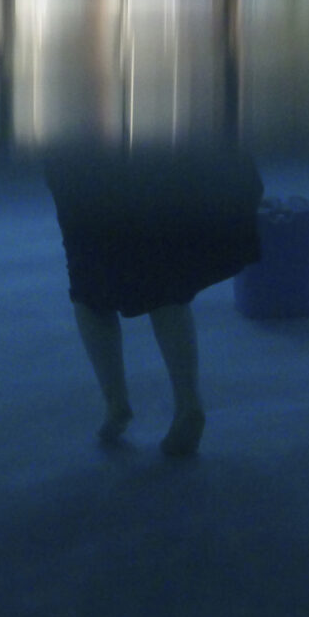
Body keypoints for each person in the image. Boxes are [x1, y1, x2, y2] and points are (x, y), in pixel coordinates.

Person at [45, 144, 263, 456]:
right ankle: (187, 403)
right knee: (161, 276)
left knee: (88, 284)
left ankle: (116, 404)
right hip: (146, 158)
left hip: (82, 163)